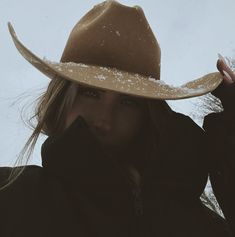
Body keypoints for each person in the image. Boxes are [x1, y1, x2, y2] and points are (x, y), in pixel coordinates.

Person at [0, 1, 235, 236]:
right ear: (61, 99)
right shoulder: (12, 198)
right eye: (90, 93)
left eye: (128, 102)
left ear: (148, 114)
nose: (105, 120)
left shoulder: (196, 224)